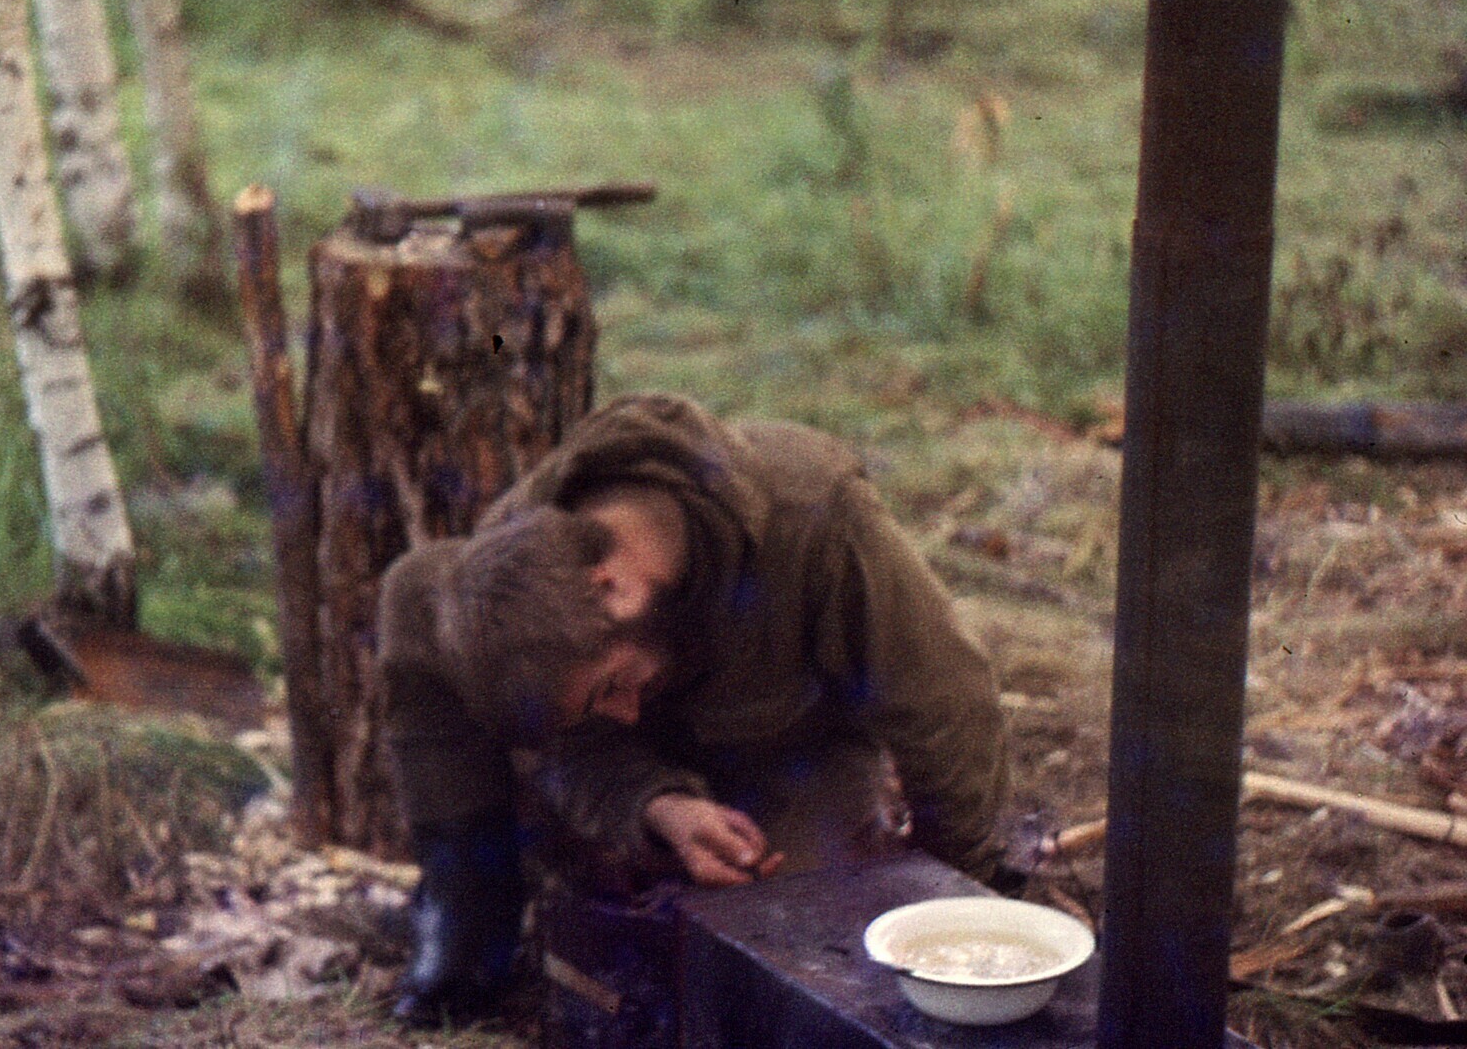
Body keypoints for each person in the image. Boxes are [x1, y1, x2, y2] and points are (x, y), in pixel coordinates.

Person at [376, 392, 1012, 1027]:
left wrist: (955, 894)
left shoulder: (813, 516)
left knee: (793, 955)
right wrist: (655, 804)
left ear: (611, 586)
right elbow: (569, 744)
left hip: (789, 750)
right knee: (417, 590)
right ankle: (466, 906)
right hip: (643, 774)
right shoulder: (513, 575)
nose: (620, 712)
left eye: (611, 686)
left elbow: (945, 704)